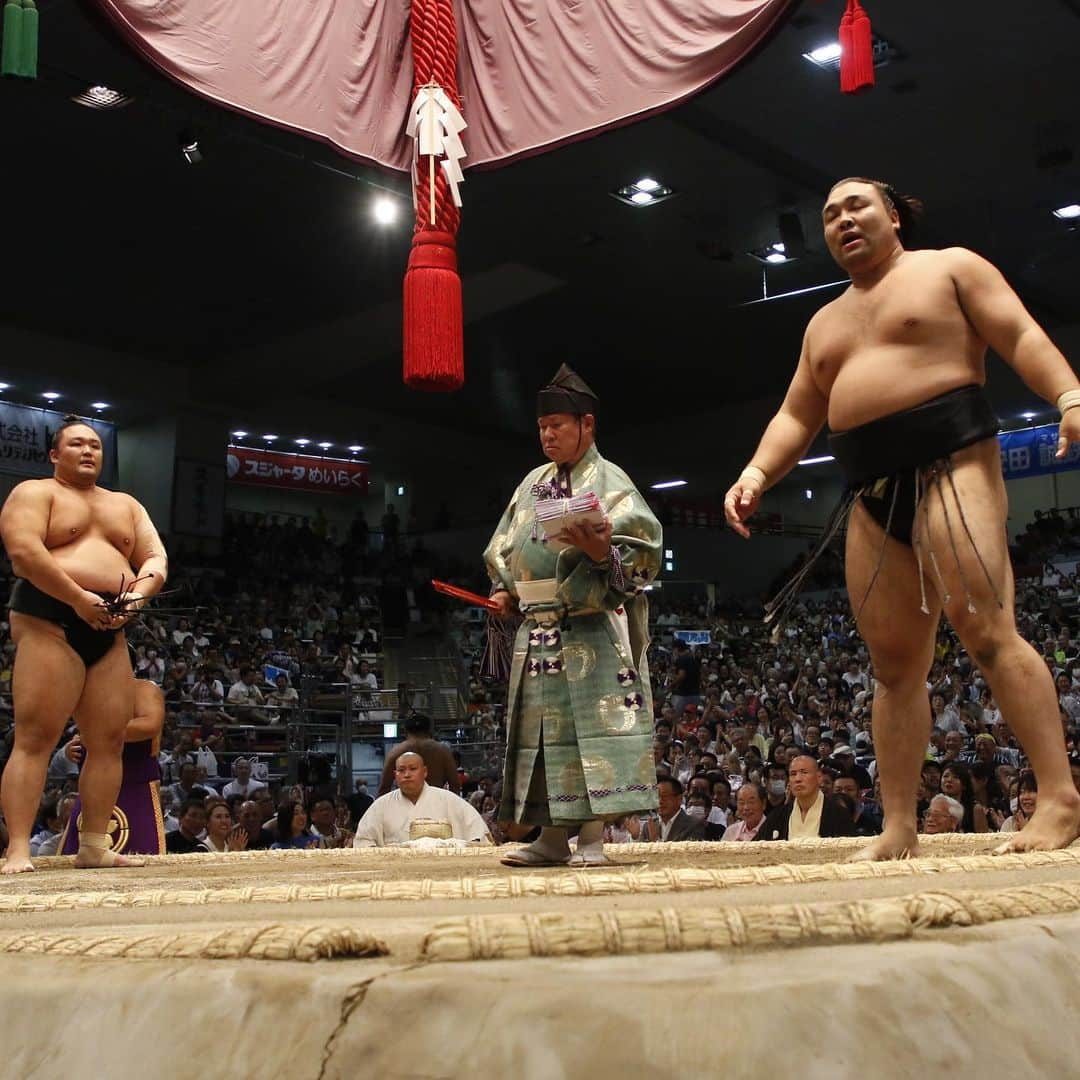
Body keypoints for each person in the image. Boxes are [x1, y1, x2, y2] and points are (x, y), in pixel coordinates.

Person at [724, 177, 1080, 859]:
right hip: (868, 493)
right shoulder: (823, 323)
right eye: (828, 216)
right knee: (892, 667)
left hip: (954, 461)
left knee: (987, 631)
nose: (841, 220)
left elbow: (1019, 333)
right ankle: (898, 825)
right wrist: (756, 474)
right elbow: (797, 413)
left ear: (892, 215)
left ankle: (1060, 797)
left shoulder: (950, 267)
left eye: (855, 206)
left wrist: (1067, 393)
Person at [484, 365, 662, 868]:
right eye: (542, 427)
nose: (547, 435)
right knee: (542, 735)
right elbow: (504, 547)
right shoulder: (531, 483)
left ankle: (591, 839)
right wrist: (505, 592)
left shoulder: (611, 481)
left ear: (587, 425)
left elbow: (644, 554)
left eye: (557, 426)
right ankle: (550, 838)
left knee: (589, 732)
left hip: (590, 625)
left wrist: (605, 554)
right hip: (536, 628)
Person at [0, 414, 168, 873]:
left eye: (94, 444)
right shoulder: (36, 493)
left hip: (109, 624)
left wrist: (136, 598)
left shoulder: (126, 504)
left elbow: (154, 556)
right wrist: (77, 598)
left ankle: (93, 844)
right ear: (55, 454)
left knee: (108, 740)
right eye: (76, 444)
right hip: (49, 617)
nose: (88, 451)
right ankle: (17, 847)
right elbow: (23, 553)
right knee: (35, 737)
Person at [59, 679, 168, 857]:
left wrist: (99, 732)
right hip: (92, 788)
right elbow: (82, 729)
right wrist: (74, 747)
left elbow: (151, 724)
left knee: (141, 858)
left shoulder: (143, 688)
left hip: (135, 786)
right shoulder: (86, 690)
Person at [353, 752, 489, 847]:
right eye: (401, 770)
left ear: (424, 772)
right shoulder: (380, 806)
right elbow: (363, 841)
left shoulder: (450, 800)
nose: (407, 774)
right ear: (395, 775)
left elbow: (479, 836)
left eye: (413, 769)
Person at [757, 754, 856, 842]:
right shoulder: (777, 817)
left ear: (818, 777)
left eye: (804, 772)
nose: (798, 779)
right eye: (793, 774)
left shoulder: (838, 814)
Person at [377, 713, 460, 795]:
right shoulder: (443, 751)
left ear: (406, 731)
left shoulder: (396, 752)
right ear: (429, 730)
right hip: (434, 802)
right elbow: (455, 785)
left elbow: (384, 788)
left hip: (406, 804)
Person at [635, 777, 705, 843]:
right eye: (656, 797)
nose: (660, 801)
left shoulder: (694, 825)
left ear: (679, 799)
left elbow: (687, 854)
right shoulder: (648, 826)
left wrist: (656, 841)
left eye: (664, 796)